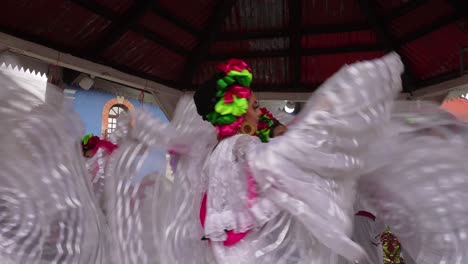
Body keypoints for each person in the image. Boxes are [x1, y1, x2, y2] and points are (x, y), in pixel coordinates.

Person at [2, 54, 468, 264]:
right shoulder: (242, 150)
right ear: (236, 107)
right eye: (250, 101)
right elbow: (291, 163)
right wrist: (336, 117)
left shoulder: (215, 153)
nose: (255, 106)